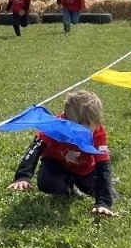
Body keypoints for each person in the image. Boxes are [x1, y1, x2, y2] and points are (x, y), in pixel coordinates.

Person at [9, 90, 116, 218]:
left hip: (84, 170)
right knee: (46, 183)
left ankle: (105, 188)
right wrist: (22, 176)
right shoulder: (55, 125)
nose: (85, 134)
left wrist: (103, 202)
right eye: (80, 130)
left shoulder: (98, 133)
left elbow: (103, 164)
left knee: (102, 190)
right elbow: (36, 146)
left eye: (89, 129)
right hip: (57, 165)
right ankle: (69, 188)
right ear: (66, 121)